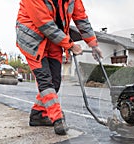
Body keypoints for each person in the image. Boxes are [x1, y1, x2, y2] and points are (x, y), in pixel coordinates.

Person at [15, 0, 102, 135]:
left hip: (54, 41)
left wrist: (93, 45)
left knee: (55, 81)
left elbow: (81, 18)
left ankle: (38, 114)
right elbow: (44, 24)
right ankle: (57, 119)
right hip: (33, 39)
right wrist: (70, 45)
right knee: (45, 80)